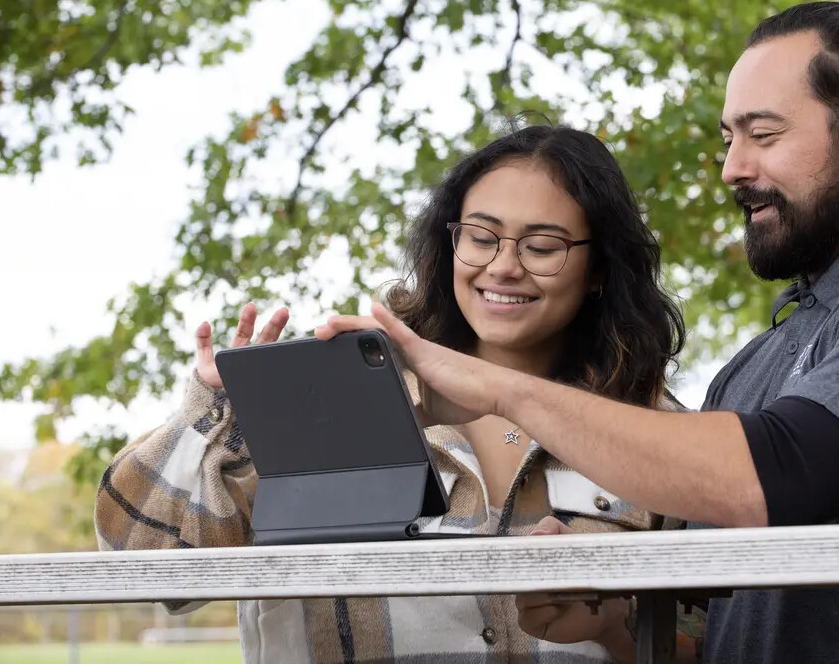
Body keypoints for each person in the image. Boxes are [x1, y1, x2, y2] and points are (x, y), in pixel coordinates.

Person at [319, 0, 839, 664]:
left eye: (762, 134)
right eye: (729, 137)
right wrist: (610, 622)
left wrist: (496, 385)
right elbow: (713, 630)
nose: (731, 167)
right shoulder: (758, 362)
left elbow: (778, 474)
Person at [94, 123, 688, 664]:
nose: (504, 267)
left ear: (600, 270)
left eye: (541, 246)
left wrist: (614, 627)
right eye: (481, 237)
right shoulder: (327, 397)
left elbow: (729, 638)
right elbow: (141, 564)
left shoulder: (657, 432)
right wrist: (218, 416)